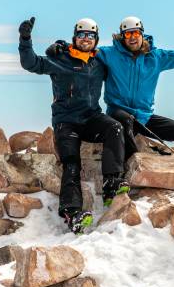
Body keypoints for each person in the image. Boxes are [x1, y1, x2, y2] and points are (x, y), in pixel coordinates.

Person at [18, 17, 128, 234]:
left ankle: (111, 183)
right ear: (74, 38)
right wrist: (25, 38)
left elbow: (123, 58)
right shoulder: (60, 59)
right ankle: (72, 213)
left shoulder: (99, 63)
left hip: (91, 118)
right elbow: (30, 63)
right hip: (66, 122)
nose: (85, 39)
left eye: (90, 36)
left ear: (95, 40)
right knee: (71, 163)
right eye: (81, 35)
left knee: (115, 128)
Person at [97, 16, 174, 160]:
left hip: (144, 117)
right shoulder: (109, 54)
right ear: (122, 36)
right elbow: (85, 51)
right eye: (128, 34)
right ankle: (133, 165)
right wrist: (67, 50)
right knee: (125, 120)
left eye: (136, 33)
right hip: (118, 114)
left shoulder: (156, 57)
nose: (132, 37)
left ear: (142, 34)